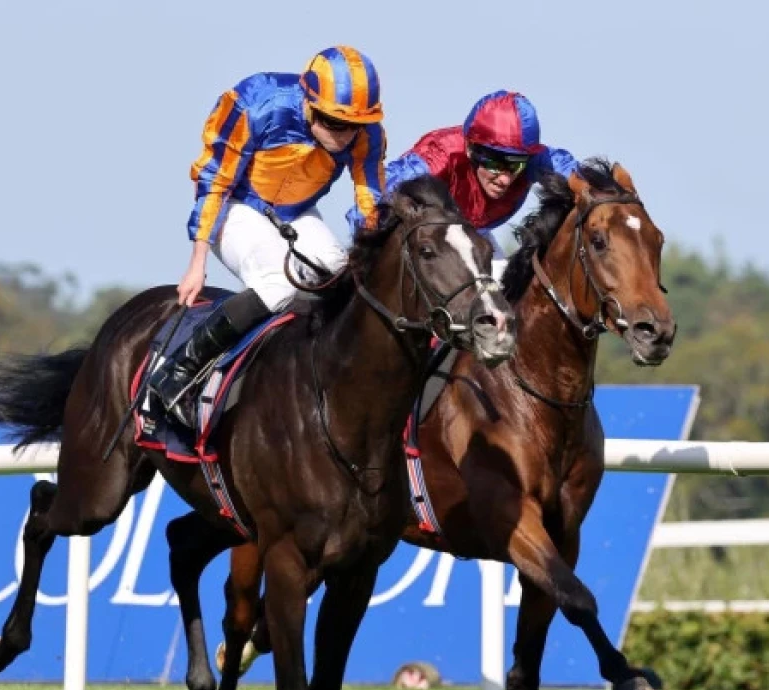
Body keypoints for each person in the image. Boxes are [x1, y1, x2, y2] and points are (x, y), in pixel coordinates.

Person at [148, 45, 388, 428]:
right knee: (278, 283)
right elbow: (215, 181)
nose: (344, 136)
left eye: (354, 126)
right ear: (309, 102)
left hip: (296, 212)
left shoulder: (366, 134)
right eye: (332, 122)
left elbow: (369, 201)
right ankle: (179, 370)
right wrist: (197, 261)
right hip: (237, 205)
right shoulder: (256, 103)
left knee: (340, 277)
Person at [384, 90, 577, 281]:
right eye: (495, 165)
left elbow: (580, 180)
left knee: (503, 289)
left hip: (475, 234)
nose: (505, 180)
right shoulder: (440, 157)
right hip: (423, 238)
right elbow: (378, 192)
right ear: (470, 149)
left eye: (516, 165)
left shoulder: (533, 160)